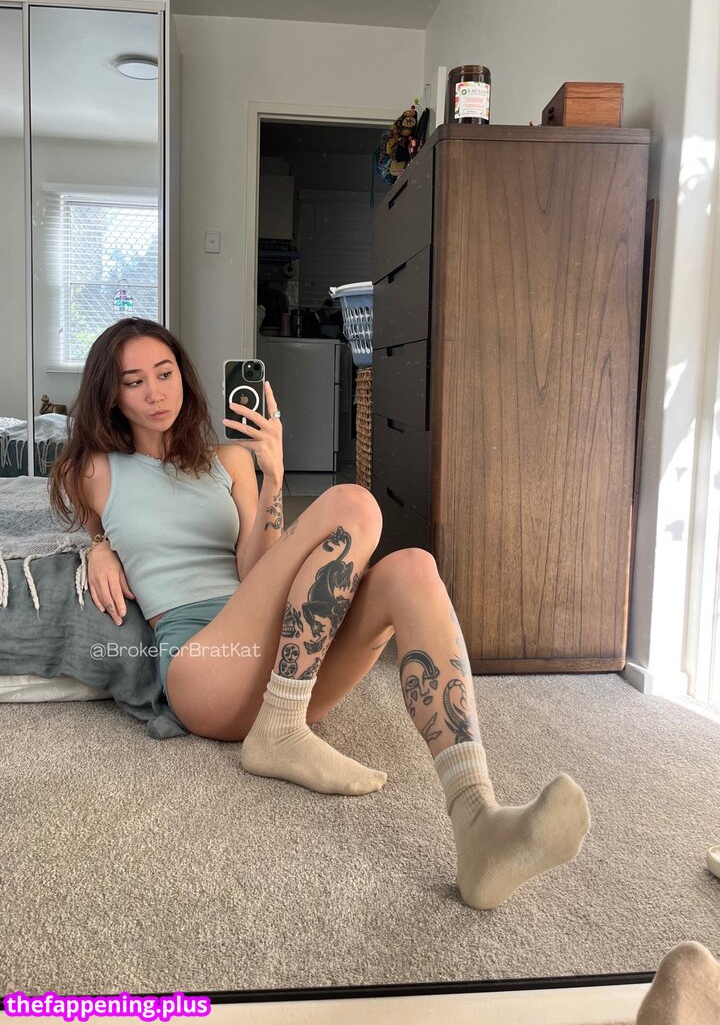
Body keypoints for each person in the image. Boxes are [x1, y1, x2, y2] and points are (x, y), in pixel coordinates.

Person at [48, 316, 591, 911]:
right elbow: (88, 525)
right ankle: (278, 732)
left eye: (165, 373)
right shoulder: (94, 469)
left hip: (285, 659)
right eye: (134, 382)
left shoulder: (228, 461)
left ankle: (478, 820)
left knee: (413, 568)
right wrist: (96, 547)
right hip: (203, 664)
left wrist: (273, 475)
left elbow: (257, 568)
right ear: (111, 394)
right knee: (352, 501)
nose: (156, 393)